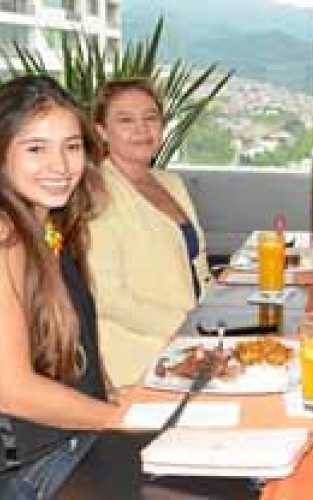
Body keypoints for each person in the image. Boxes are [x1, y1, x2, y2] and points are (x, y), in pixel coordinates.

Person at [0, 75, 121, 498]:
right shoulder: (5, 236)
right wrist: (121, 420)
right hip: (27, 468)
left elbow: (79, 346)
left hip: (70, 440)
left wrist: (116, 403)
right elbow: (11, 390)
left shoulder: (50, 226)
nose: (60, 166)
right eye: (36, 148)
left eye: (72, 147)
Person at [88, 79, 211, 387]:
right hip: (139, 361)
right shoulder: (96, 192)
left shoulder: (171, 182)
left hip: (192, 346)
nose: (142, 129)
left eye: (150, 117)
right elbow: (107, 297)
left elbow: (198, 266)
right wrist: (186, 326)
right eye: (126, 120)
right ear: (102, 131)